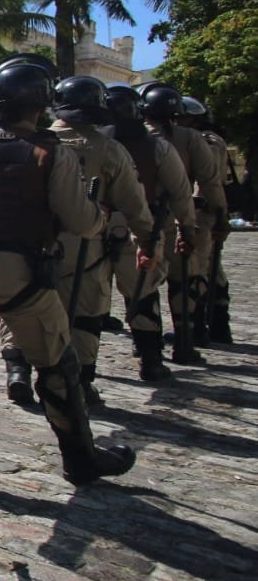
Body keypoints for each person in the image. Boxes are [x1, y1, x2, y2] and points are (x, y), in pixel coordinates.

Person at [0, 56, 133, 489]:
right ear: (40, 105)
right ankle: (80, 459)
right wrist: (100, 215)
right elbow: (81, 220)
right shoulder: (49, 153)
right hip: (22, 273)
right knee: (57, 364)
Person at [0, 76, 156, 410]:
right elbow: (134, 203)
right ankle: (80, 382)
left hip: (29, 241)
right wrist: (146, 240)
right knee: (85, 314)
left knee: (21, 307)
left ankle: (18, 371)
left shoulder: (32, 143)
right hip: (85, 244)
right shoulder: (109, 149)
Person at [102, 85, 195, 380]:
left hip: (95, 227)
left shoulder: (96, 144)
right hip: (138, 224)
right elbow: (180, 192)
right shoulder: (157, 147)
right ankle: (150, 357)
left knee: (89, 299)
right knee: (142, 291)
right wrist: (187, 227)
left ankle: (83, 370)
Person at [140, 83, 224, 364]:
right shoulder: (190, 138)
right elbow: (210, 181)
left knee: (145, 282)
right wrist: (218, 215)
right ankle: (183, 339)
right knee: (183, 279)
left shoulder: (136, 136)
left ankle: (148, 343)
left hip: (145, 215)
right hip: (178, 214)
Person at [180, 97, 233, 344]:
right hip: (207, 209)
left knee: (198, 269)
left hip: (202, 210)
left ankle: (199, 327)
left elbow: (208, 180)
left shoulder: (206, 142)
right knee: (211, 268)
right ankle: (217, 324)